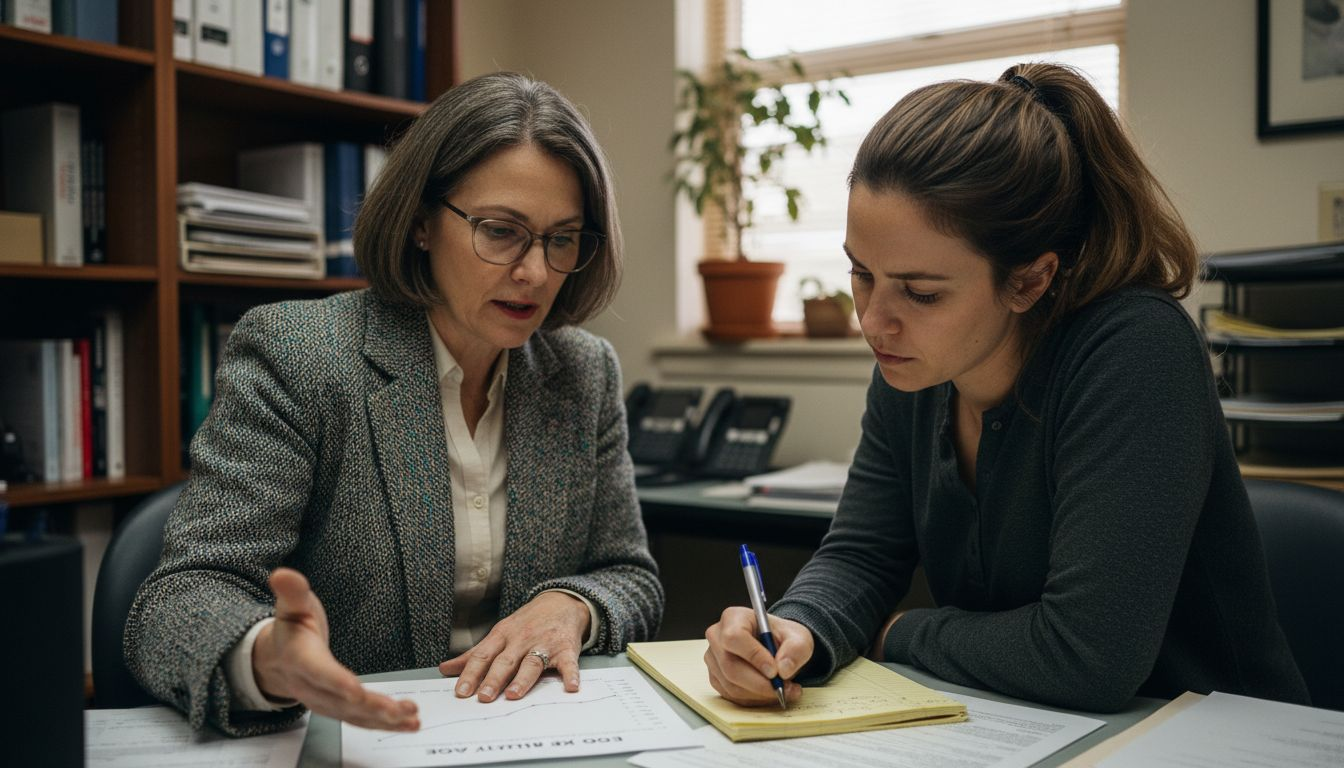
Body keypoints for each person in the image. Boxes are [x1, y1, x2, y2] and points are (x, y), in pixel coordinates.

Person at [704, 62, 1310, 713]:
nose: (874, 320)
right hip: (1023, 724)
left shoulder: (1135, 349)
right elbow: (860, 554)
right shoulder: (913, 363)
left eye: (922, 291)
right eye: (861, 274)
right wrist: (801, 629)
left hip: (1209, 735)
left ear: (1028, 280)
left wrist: (898, 632)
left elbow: (1088, 657)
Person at [126, 72, 664, 737]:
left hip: (525, 738)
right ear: (419, 223)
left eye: (562, 239)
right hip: (351, 742)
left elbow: (630, 575)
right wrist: (267, 658)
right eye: (501, 232)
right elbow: (177, 599)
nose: (534, 273)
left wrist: (572, 604)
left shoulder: (582, 373)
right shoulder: (301, 355)